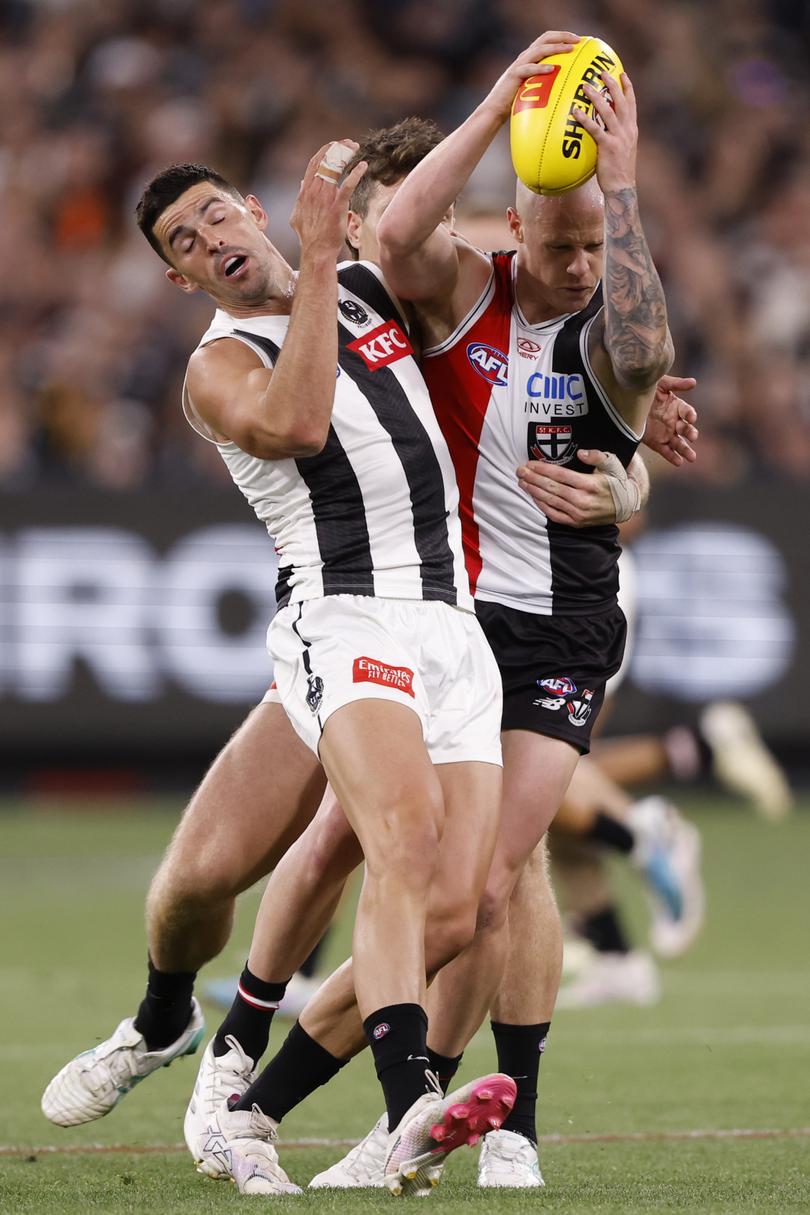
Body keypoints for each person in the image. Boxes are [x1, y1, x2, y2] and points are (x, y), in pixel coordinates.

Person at [185, 31, 693, 1193]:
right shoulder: (442, 300)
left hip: (557, 624)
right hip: (439, 620)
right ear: (510, 226)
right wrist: (500, 101)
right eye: (552, 239)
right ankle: (353, 1093)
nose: (571, 264)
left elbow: (647, 350)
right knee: (387, 865)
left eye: (591, 244)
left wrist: (623, 192)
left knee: (484, 882)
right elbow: (400, 241)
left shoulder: (600, 333)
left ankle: (317, 1101)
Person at [45, 144, 522, 1199]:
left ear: (251, 208)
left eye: (216, 215)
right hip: (334, 625)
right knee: (200, 883)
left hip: (435, 628)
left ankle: (246, 1066)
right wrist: (312, 262)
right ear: (179, 280)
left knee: (446, 905)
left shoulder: (366, 281)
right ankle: (171, 1023)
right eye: (185, 243)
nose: (211, 240)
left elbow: (490, 276)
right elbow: (300, 424)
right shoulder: (218, 364)